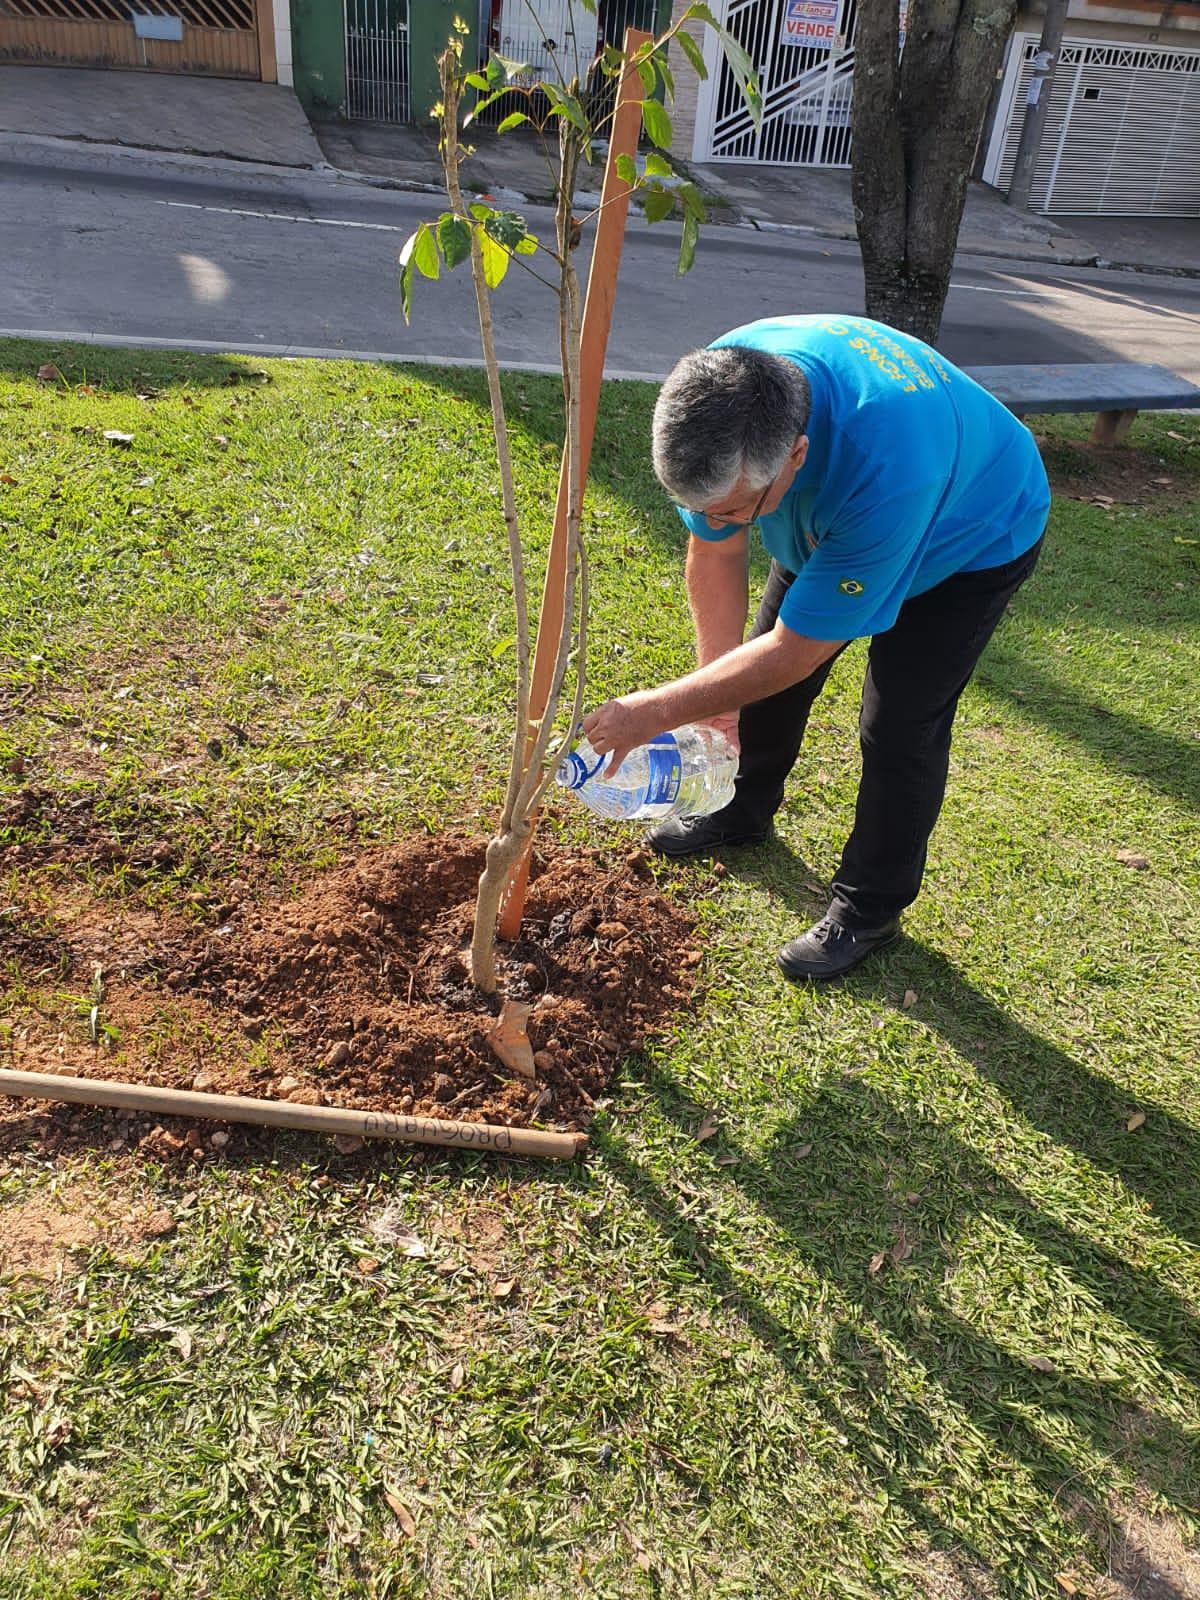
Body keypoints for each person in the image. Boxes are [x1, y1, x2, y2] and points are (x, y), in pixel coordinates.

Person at [581, 314, 1049, 981]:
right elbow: (715, 555)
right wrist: (712, 696)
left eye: (734, 511)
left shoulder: (889, 469)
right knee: (754, 682)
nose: (717, 522)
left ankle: (869, 907)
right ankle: (741, 807)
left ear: (796, 456)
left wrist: (656, 711)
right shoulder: (722, 394)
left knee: (899, 725)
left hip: (970, 534)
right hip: (845, 506)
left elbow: (795, 650)